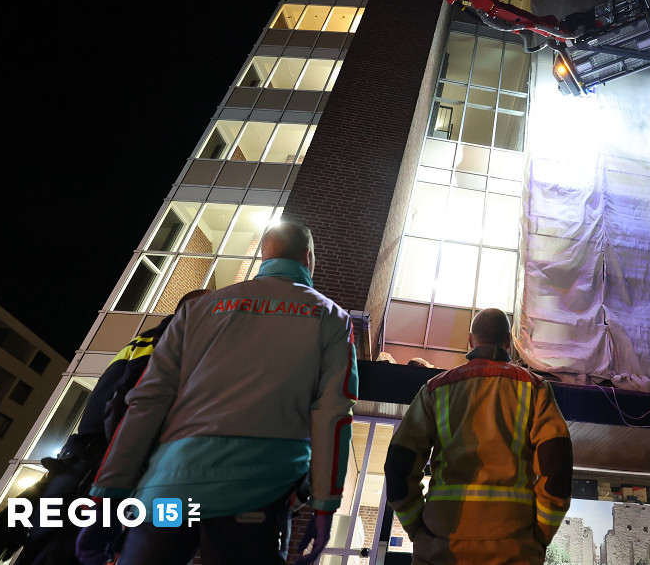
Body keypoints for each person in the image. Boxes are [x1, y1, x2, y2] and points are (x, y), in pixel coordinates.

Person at [80, 221, 358, 565]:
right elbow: (333, 414)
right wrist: (324, 504)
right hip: (258, 492)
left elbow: (145, 403)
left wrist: (106, 494)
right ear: (309, 258)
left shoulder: (197, 310)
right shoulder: (332, 318)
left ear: (263, 255)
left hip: (169, 490)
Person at [0, 290, 207, 565]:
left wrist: (22, 509)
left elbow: (90, 438)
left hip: (83, 483)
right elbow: (119, 428)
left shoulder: (143, 345)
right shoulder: (174, 347)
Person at [384, 308, 572, 565]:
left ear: (470, 341)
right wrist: (541, 533)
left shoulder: (435, 390)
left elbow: (399, 464)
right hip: (514, 545)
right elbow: (557, 467)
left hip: (441, 543)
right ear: (508, 342)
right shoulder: (535, 389)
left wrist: (417, 526)